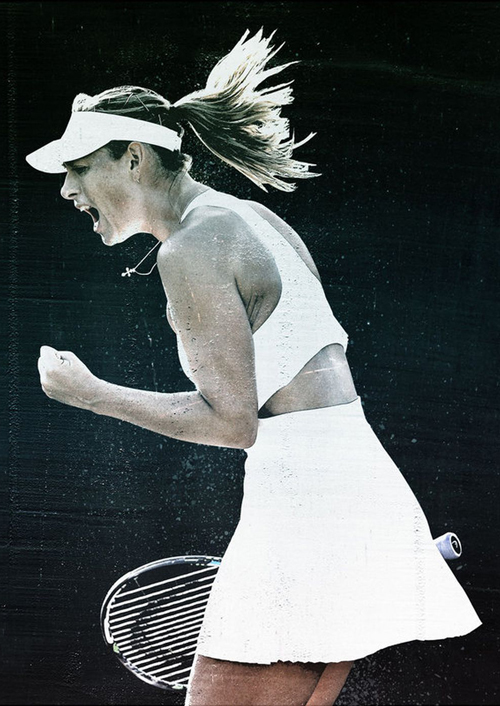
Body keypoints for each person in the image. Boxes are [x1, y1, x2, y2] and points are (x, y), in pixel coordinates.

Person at [29, 30, 481, 706]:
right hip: (357, 491)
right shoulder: (252, 218)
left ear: (132, 158)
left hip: (310, 509)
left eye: (79, 168)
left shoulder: (193, 246)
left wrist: (91, 394)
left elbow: (233, 423)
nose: (67, 188)